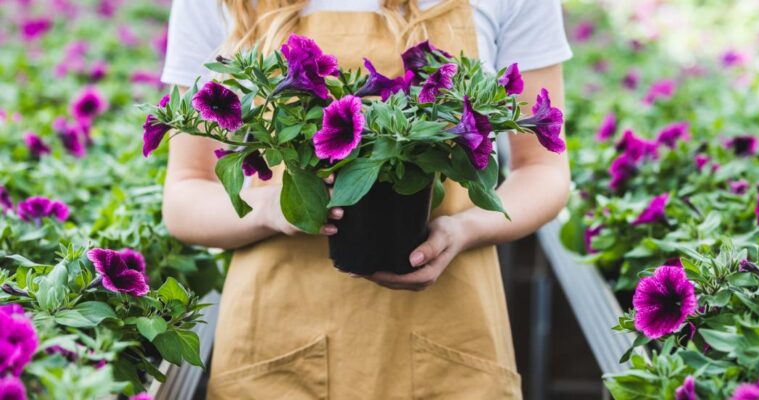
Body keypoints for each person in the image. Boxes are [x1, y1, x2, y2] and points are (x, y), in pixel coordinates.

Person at [160, 0, 571, 398]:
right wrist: (273, 208)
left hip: (450, 336)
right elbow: (185, 194)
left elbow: (543, 169)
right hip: (277, 345)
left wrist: (467, 229)